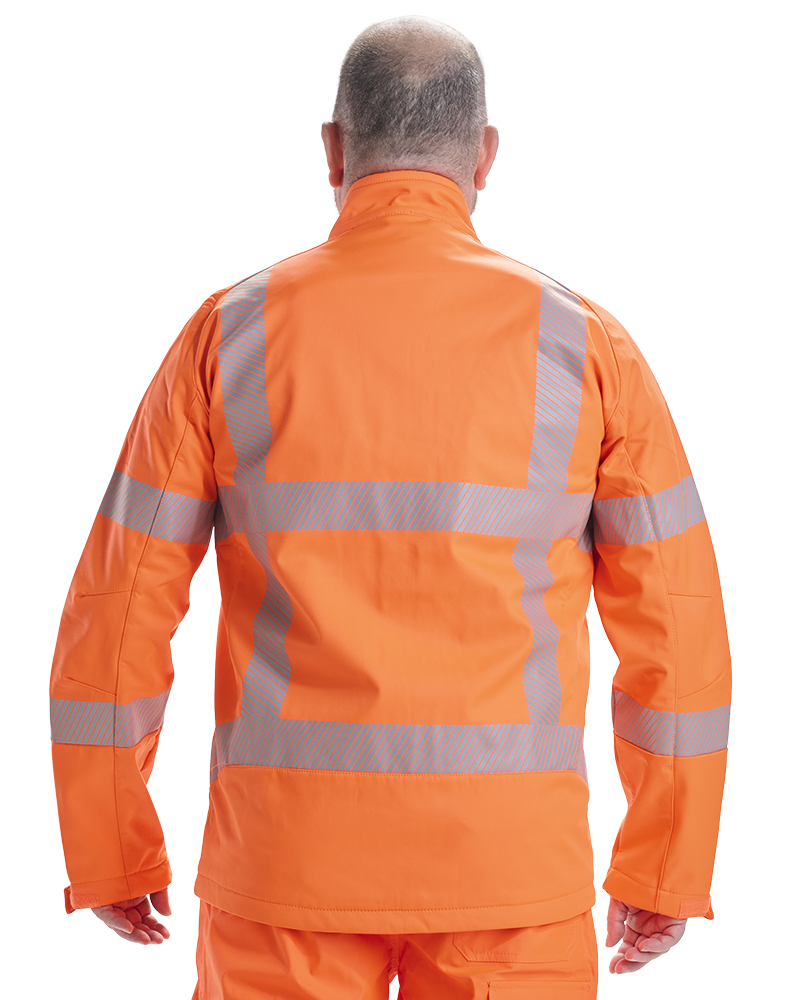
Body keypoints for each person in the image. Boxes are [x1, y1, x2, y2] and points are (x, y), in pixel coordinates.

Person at [48, 14, 732, 999]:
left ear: (333, 149)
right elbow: (680, 629)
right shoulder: (584, 346)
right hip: (509, 877)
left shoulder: (229, 335)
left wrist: (109, 845)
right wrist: (664, 865)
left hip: (282, 872)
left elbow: (115, 614)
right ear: (484, 155)